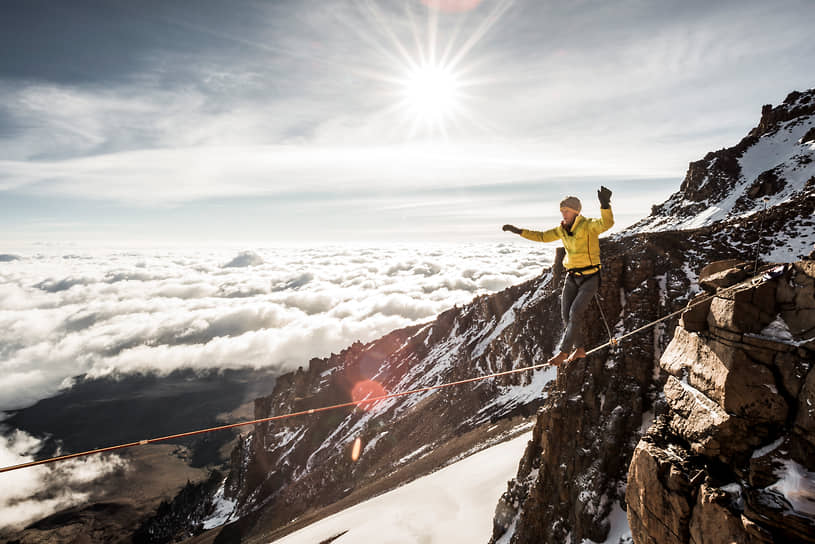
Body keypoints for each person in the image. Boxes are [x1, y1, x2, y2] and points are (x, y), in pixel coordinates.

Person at [502, 186, 613, 366]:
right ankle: (580, 348)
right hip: (571, 277)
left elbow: (606, 224)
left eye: (566, 210)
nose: (563, 214)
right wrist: (519, 231)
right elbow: (542, 236)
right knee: (566, 315)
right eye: (562, 211)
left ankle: (563, 352)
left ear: (576, 211)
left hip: (590, 277)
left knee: (575, 312)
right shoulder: (561, 229)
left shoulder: (588, 225)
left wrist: (605, 205)